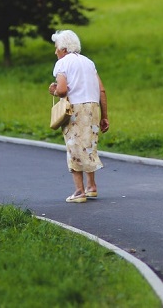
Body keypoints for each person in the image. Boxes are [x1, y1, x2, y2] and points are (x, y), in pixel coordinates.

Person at [48, 30, 109, 203]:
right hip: (93, 107)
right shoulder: (89, 62)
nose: (55, 52)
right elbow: (102, 90)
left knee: (74, 147)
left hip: (75, 109)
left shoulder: (62, 64)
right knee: (88, 146)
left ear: (63, 48)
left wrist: (53, 90)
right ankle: (92, 187)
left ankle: (79, 191)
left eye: (56, 48)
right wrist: (105, 116)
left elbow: (62, 90)